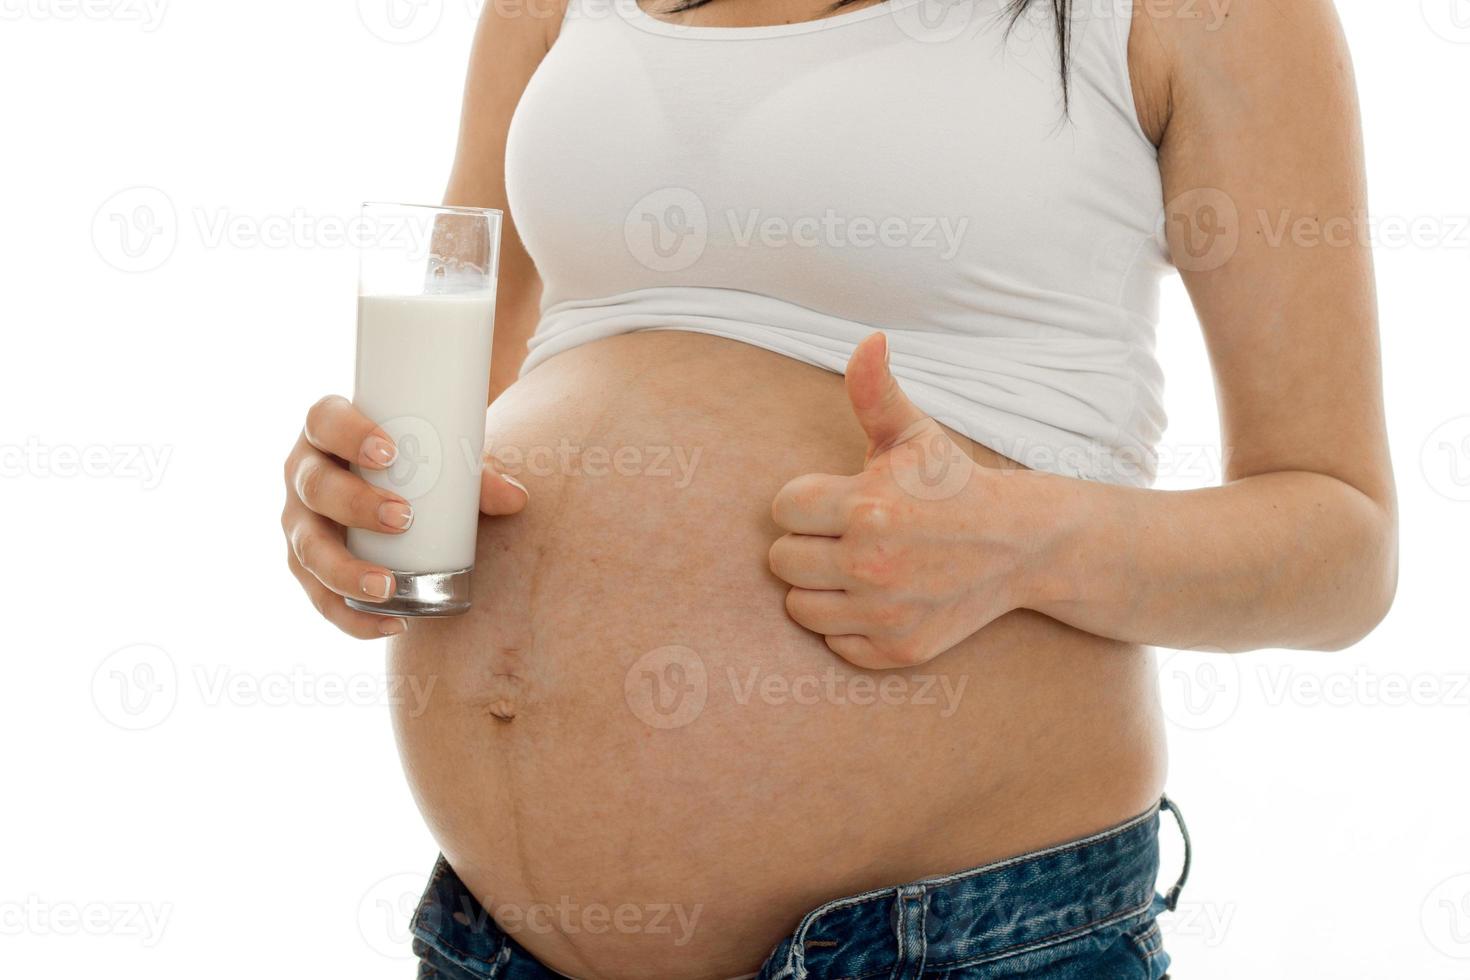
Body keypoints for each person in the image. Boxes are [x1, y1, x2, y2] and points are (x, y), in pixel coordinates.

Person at [280, 1, 1396, 976]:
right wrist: (356, 513)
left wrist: (1032, 539)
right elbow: (447, 406)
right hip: (499, 939)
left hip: (960, 940)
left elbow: (1345, 545)